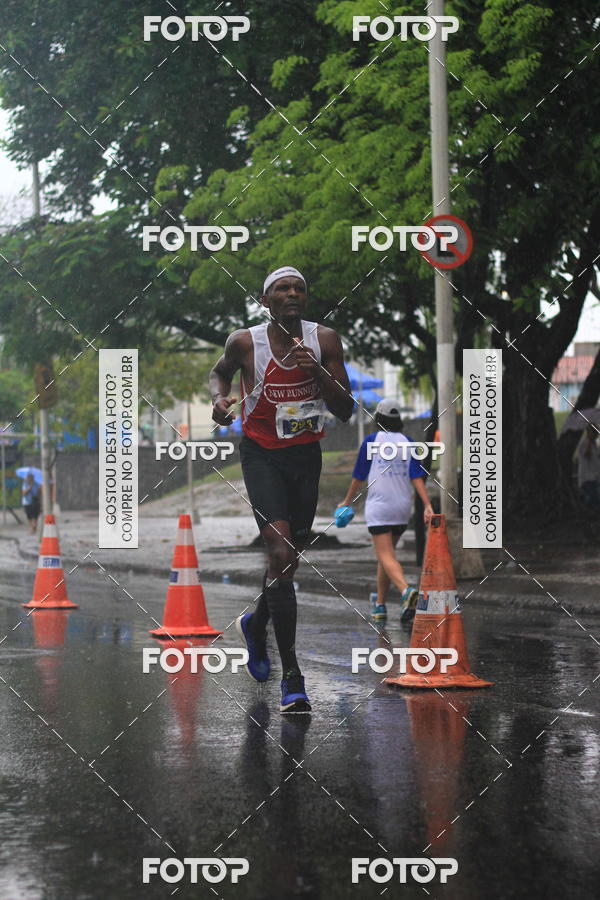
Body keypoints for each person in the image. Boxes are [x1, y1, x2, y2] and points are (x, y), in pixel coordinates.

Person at [209, 266, 353, 713]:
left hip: (306, 456)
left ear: (305, 298)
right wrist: (220, 400)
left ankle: (255, 624)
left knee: (288, 558)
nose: (291, 294)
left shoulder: (324, 339)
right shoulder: (244, 341)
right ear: (265, 299)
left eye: (298, 288)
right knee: (281, 554)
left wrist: (320, 374)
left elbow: (345, 409)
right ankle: (293, 675)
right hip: (261, 453)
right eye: (282, 289)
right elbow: (219, 374)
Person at [337, 399, 434, 622]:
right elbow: (417, 477)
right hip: (402, 508)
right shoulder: (408, 442)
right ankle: (380, 605)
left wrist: (346, 502)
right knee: (387, 556)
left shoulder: (371, 441)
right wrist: (427, 505)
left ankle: (406, 591)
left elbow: (358, 477)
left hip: (379, 507)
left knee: (385, 555)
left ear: (378, 419)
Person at [577, 424, 600, 508]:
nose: (598, 435)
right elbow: (587, 454)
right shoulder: (585, 443)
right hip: (588, 478)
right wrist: (590, 440)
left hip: (595, 477)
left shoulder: (594, 444)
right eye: (596, 432)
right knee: (593, 502)